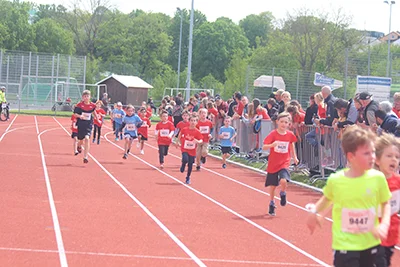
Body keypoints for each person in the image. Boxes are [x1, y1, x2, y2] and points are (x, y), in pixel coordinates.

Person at [306, 125, 392, 267]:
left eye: (373, 152)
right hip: (345, 245)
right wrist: (314, 212)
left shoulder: (378, 178)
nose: (372, 157)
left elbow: (385, 203)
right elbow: (327, 199)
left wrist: (384, 225)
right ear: (351, 156)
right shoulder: (336, 179)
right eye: (366, 153)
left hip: (371, 243)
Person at [262, 112, 299, 216]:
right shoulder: (273, 134)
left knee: (283, 180)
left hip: (284, 162)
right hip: (273, 163)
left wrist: (294, 157)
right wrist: (272, 145)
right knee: (273, 185)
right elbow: (264, 147)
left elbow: (292, 145)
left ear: (289, 124)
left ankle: (283, 193)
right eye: (281, 121)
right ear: (277, 122)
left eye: (286, 122)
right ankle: (272, 203)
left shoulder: (290, 135)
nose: (283, 124)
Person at [374, 133, 400, 267]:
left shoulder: (398, 181)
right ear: (377, 160)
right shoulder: (371, 181)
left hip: (392, 231)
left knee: (386, 261)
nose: (393, 160)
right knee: (380, 263)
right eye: (389, 156)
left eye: (397, 157)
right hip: (372, 231)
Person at [177, 115, 203, 184]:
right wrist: (178, 141)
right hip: (185, 148)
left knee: (190, 164)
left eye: (194, 121)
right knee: (185, 159)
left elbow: (201, 140)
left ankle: (188, 177)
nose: (193, 122)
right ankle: (183, 164)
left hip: (192, 150)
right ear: (189, 121)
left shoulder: (197, 131)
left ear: (197, 122)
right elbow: (180, 134)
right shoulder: (185, 129)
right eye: (191, 120)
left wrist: (198, 141)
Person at [73, 90, 97, 163]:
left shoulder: (93, 105)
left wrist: (96, 117)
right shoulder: (79, 105)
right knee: (81, 139)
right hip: (81, 124)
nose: (86, 98)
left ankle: (85, 156)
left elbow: (93, 111)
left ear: (90, 97)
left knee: (87, 138)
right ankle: (79, 146)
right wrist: (80, 116)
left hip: (89, 124)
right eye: (85, 96)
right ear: (83, 97)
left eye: (88, 96)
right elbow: (75, 114)